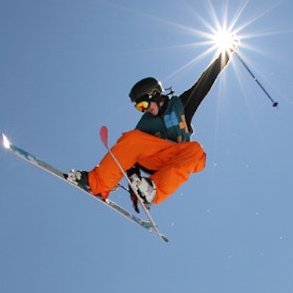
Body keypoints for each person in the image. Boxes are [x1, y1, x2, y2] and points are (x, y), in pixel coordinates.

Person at [68, 47, 232, 205]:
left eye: (144, 104)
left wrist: (225, 55)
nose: (145, 109)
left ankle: (153, 190)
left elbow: (205, 81)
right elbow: (129, 153)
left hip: (176, 159)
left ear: (155, 94)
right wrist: (134, 182)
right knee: (131, 138)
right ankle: (97, 182)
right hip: (153, 159)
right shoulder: (146, 124)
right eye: (140, 108)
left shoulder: (182, 105)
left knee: (196, 150)